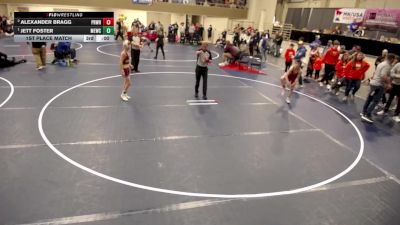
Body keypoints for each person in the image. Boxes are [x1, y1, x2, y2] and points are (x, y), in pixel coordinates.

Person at [361, 54, 397, 123]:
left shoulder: (382, 63)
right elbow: (383, 76)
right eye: (394, 59)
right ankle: (367, 115)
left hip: (373, 83)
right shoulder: (387, 65)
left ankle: (364, 112)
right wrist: (388, 84)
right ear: (392, 59)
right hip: (378, 85)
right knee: (375, 100)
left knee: (370, 98)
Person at [377, 56, 400, 122]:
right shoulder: (398, 65)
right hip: (394, 84)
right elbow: (391, 73)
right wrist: (398, 76)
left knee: (399, 101)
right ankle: (385, 110)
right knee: (390, 98)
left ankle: (396, 115)